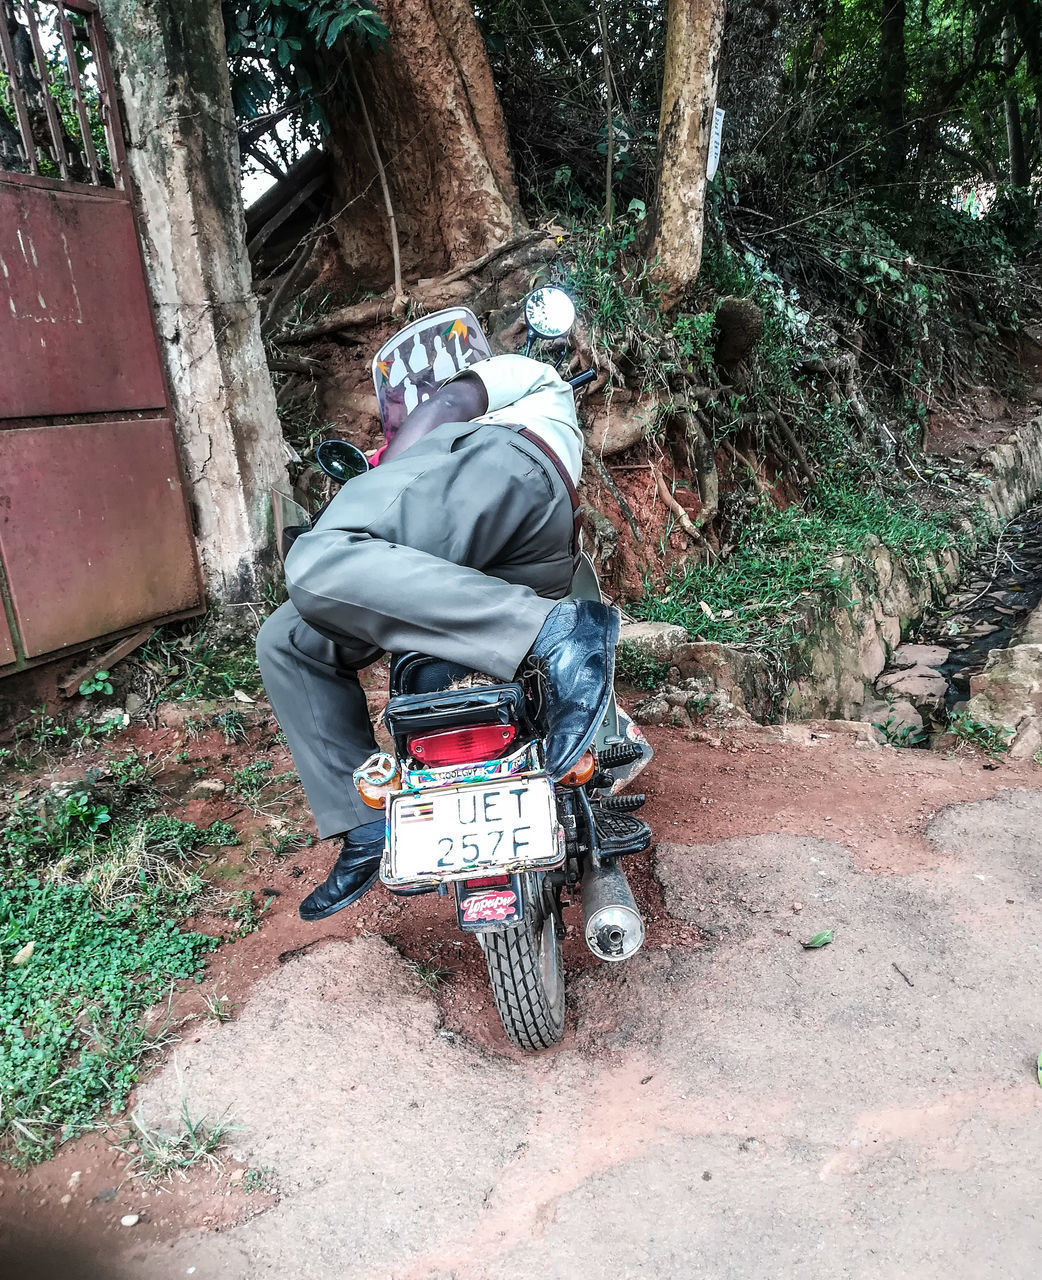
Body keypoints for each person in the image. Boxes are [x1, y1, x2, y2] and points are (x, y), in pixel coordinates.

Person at [257, 353, 619, 922]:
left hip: (509, 471)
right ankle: (367, 822)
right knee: (286, 638)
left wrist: (367, 486)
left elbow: (450, 404)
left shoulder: (515, 388)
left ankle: (556, 633)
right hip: (517, 551)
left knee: (315, 561)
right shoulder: (432, 465)